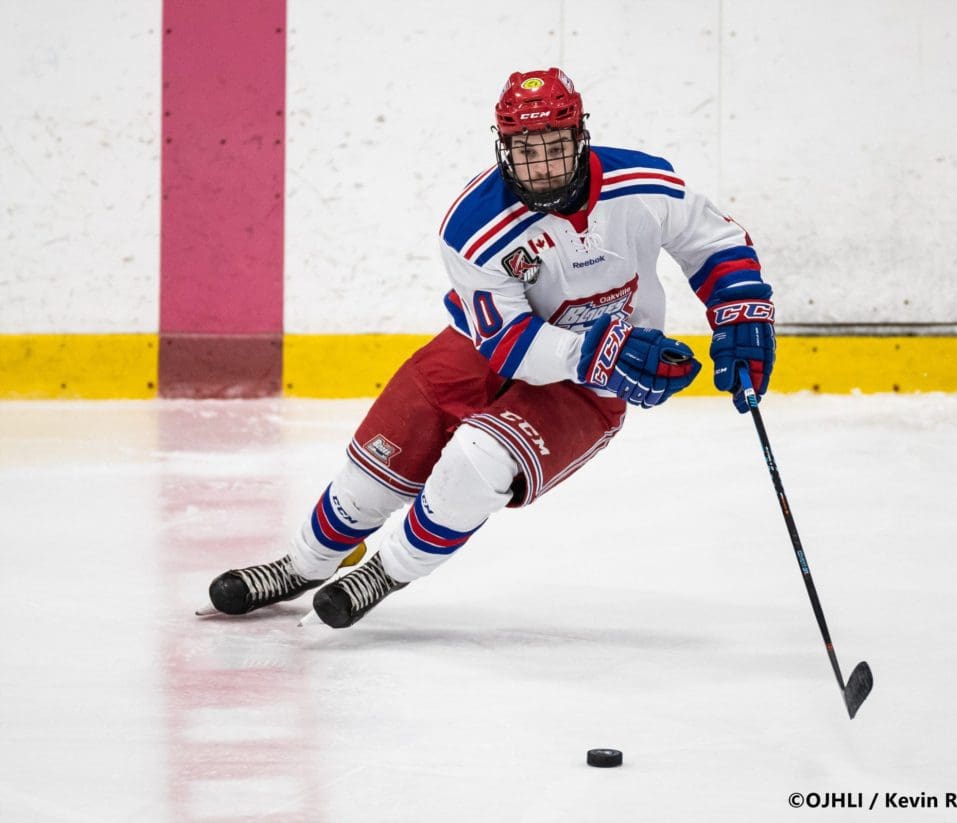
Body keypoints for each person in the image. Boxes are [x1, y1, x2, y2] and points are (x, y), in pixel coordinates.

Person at [200, 67, 776, 629]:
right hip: (484, 349)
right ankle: (302, 565)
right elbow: (508, 341)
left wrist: (742, 314)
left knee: (478, 461)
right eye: (526, 150)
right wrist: (599, 350)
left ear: (580, 137)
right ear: (503, 149)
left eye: (555, 145)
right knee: (372, 475)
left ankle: (386, 571)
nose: (543, 166)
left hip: (588, 384)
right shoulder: (475, 227)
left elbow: (713, 241)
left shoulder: (644, 185)